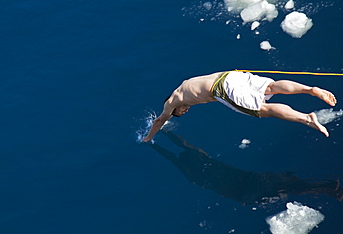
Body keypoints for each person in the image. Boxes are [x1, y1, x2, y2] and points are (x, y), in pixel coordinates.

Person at [143, 70, 337, 142]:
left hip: (222, 87)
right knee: (271, 86)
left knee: (262, 109)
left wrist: (149, 137)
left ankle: (306, 118)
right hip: (230, 75)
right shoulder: (185, 83)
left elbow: (160, 120)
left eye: (180, 112)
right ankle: (310, 89)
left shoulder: (172, 102)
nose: (184, 111)